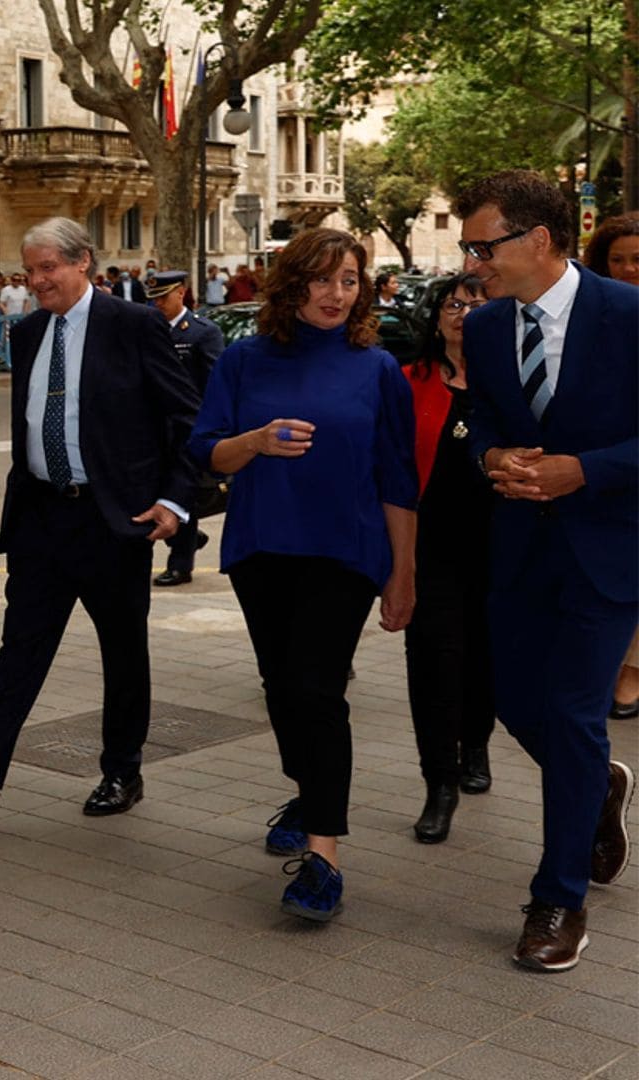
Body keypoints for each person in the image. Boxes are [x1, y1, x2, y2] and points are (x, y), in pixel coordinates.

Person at [0, 217, 200, 822]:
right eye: (30, 269)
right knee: (21, 649)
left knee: (123, 652)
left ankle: (122, 772)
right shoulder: (27, 333)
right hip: (42, 519)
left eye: (49, 267)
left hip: (112, 521)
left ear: (84, 264)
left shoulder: (134, 325)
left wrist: (175, 502)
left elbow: (186, 419)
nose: (38, 279)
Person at [188, 227, 417, 923]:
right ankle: (306, 789)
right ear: (292, 285)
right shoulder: (245, 360)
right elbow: (209, 454)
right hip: (263, 548)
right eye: (323, 280)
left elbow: (399, 478)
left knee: (315, 690)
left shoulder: (377, 368)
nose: (336, 294)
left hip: (344, 551)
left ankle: (323, 855)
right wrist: (255, 441)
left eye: (349, 281)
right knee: (282, 688)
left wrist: (403, 571)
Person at [454, 170, 637, 971]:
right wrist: (490, 452)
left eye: (483, 245)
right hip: (518, 549)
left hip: (609, 551)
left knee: (570, 715)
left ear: (538, 239)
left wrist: (583, 471)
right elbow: (479, 421)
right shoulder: (489, 328)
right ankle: (595, 787)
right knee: (511, 702)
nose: (473, 263)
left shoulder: (630, 315)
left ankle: (559, 899)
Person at [404, 273, 496, 844]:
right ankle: (439, 785)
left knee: (484, 658)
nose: (463, 312)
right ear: (436, 316)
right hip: (428, 547)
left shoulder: (508, 379)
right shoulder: (408, 379)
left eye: (476, 303)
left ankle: (477, 743)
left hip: (498, 546)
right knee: (433, 665)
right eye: (453, 304)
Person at [583, 214, 639, 719]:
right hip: (609, 473)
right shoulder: (596, 321)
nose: (625, 269)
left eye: (636, 260)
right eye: (615, 259)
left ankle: (630, 673)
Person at [148, 270, 226, 587]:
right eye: (152, 298)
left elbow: (213, 384)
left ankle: (181, 565)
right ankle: (188, 538)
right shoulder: (146, 329)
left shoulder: (201, 333)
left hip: (187, 427)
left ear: (181, 293)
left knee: (184, 496)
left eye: (163, 297)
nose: (157, 304)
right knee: (153, 492)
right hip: (152, 428)